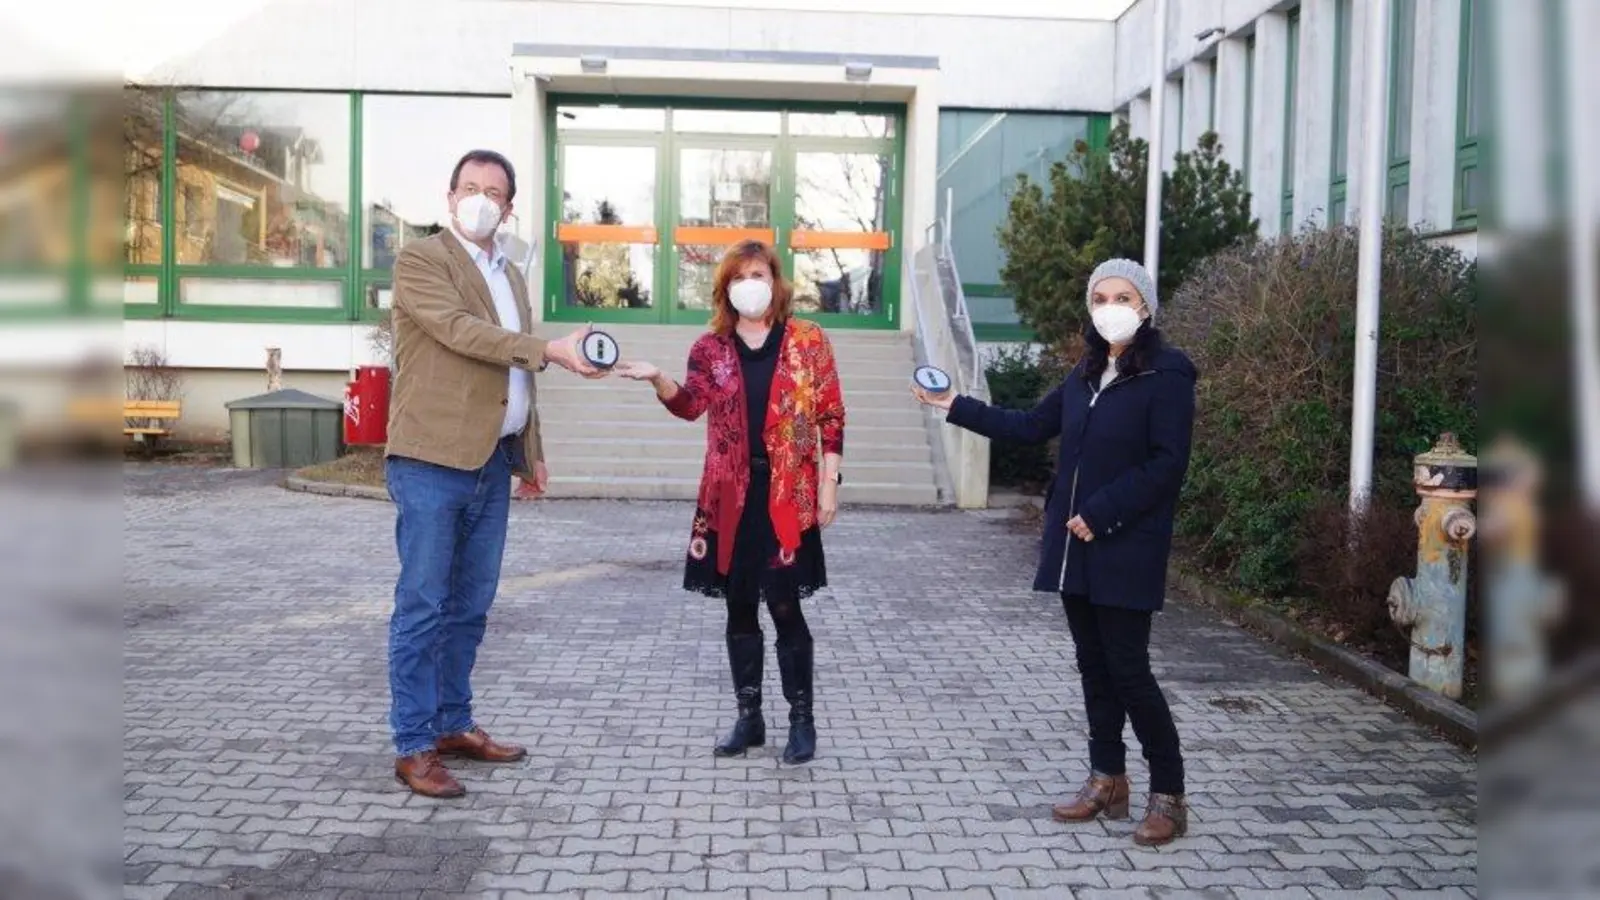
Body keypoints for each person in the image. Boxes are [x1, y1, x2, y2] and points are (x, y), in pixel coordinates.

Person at [912, 258, 1196, 846]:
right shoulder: (1085, 374)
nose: (1111, 306)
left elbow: (1167, 465)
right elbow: (1026, 425)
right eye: (1100, 297)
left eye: (1123, 296)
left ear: (1145, 307)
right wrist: (952, 406)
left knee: (1130, 672)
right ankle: (1107, 780)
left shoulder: (1168, 374)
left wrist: (1102, 510)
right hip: (1076, 550)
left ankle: (1168, 794)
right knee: (1093, 668)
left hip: (1125, 546)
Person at [385, 149, 601, 798]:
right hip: (431, 462)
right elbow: (461, 333)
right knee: (423, 607)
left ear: (509, 207)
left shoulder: (511, 275)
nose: (481, 199)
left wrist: (528, 451)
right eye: (470, 188)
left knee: (470, 608)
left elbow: (514, 378)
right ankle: (414, 744)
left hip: (488, 464)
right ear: (450, 198)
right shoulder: (422, 260)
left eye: (494, 192)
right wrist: (550, 351)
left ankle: (453, 724)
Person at [615, 240, 844, 765]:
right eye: (739, 275)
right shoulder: (710, 348)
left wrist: (829, 482)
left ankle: (801, 721)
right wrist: (657, 378)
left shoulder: (808, 342)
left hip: (787, 495)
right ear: (725, 287)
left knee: (785, 606)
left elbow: (832, 416)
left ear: (776, 280)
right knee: (740, 608)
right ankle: (750, 718)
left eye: (759, 273)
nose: (751, 284)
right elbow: (691, 404)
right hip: (730, 498)